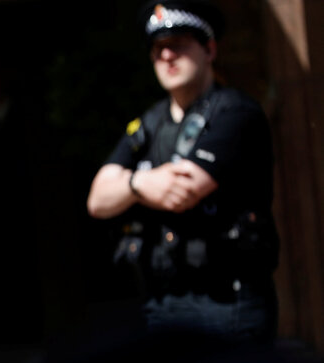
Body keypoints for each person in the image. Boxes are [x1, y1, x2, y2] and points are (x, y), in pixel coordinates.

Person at [86, 0, 279, 345]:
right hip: (163, 302)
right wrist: (141, 181)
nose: (167, 57)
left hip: (227, 302)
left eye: (178, 45)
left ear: (209, 49)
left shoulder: (234, 112)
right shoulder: (149, 122)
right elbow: (98, 200)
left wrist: (128, 186)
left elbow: (181, 193)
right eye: (158, 49)